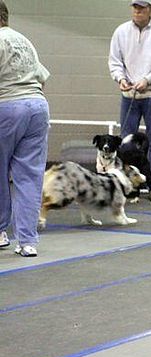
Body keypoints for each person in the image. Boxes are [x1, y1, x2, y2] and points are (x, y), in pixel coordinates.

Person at [108, 0, 151, 195]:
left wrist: (148, 79)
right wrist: (120, 78)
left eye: (142, 8)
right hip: (129, 95)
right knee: (125, 142)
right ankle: (125, 184)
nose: (137, 11)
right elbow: (115, 61)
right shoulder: (121, 31)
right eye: (135, 7)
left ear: (150, 10)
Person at [0, 0, 50, 257]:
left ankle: (0, 231)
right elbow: (42, 79)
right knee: (29, 176)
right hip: (38, 106)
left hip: (7, 106)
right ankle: (28, 241)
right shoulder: (24, 40)